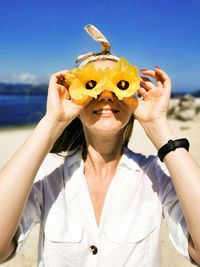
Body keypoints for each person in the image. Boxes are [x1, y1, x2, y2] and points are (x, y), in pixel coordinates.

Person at [0, 25, 200, 267]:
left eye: (120, 84)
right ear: (76, 97)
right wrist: (53, 121)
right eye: (92, 85)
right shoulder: (48, 173)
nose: (106, 95)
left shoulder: (157, 176)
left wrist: (158, 125)